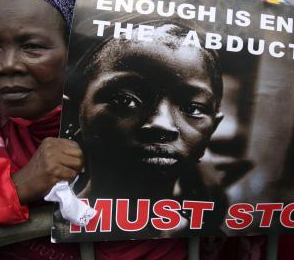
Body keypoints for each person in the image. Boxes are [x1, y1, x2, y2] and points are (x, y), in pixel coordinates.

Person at [0, 0, 186, 260]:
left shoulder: (141, 131)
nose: (8, 65)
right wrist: (17, 186)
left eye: (32, 47)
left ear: (78, 53)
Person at [59, 21, 224, 236]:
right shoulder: (53, 229)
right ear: (73, 112)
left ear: (212, 129)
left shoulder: (209, 245)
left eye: (192, 108)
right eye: (125, 101)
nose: (161, 124)